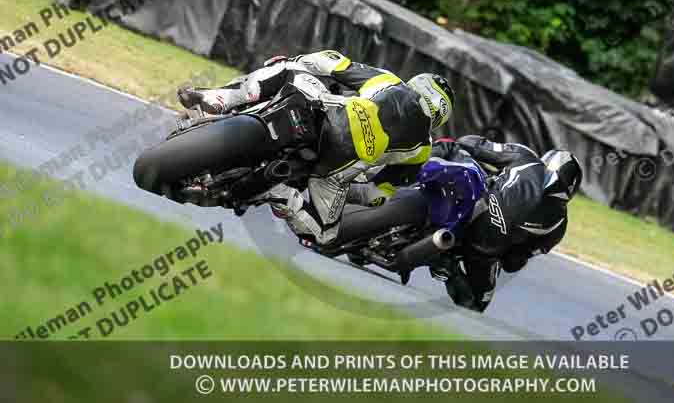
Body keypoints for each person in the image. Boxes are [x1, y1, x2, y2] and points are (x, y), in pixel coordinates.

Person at [177, 49, 455, 245]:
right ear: (440, 117)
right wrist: (353, 183)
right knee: (324, 235)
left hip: (326, 114)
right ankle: (281, 195)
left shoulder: (388, 81)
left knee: (288, 67)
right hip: (334, 168)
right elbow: (377, 196)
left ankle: (219, 98)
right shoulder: (422, 150)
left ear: (416, 84)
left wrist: (300, 61)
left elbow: (333, 63)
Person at [426, 135, 582, 312]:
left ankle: (408, 177)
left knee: (450, 147)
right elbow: (513, 262)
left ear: (547, 161)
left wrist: (463, 148)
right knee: (477, 303)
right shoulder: (559, 225)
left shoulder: (526, 157)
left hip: (471, 201)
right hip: (484, 251)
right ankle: (449, 269)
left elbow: (477, 146)